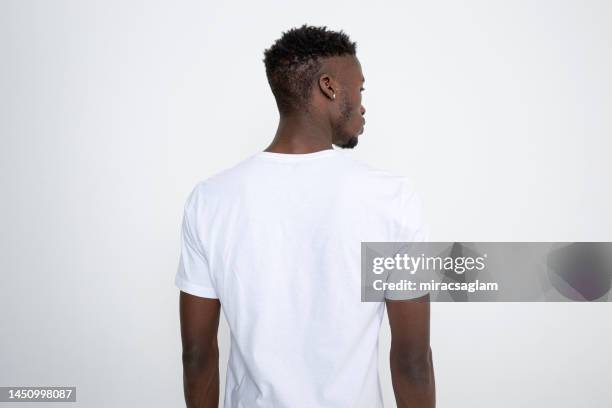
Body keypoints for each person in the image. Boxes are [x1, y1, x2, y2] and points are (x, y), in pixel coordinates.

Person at [175, 24, 435, 408]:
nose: (363, 104)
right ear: (329, 87)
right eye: (359, 89)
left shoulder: (211, 200)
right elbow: (412, 360)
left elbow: (197, 356)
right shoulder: (391, 199)